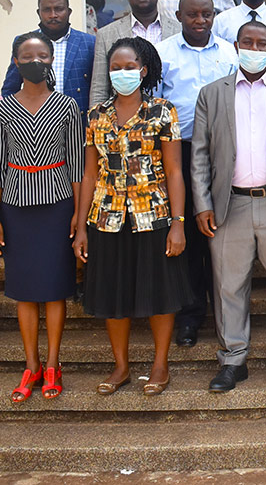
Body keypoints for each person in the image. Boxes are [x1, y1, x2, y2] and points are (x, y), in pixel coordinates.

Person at [191, 21, 266, 392]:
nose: (255, 48)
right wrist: (202, 204)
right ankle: (232, 360)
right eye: (248, 42)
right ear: (235, 44)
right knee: (229, 285)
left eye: (262, 43)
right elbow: (198, 155)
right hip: (230, 206)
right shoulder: (211, 94)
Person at [73, 37, 192, 397]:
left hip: (152, 215)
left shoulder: (162, 111)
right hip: (106, 217)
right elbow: (89, 174)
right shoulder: (96, 115)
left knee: (159, 294)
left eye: (129, 67)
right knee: (113, 295)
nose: (122, 73)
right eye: (115, 68)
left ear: (143, 70)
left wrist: (178, 223)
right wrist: (80, 228)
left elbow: (174, 172)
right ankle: (121, 366)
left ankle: (160, 364)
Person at [0, 33, 83, 402]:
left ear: (51, 61)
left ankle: (54, 364)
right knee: (25, 292)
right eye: (28, 55)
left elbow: (76, 164)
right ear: (16, 61)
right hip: (15, 207)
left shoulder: (67, 106)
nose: (35, 60)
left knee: (55, 290)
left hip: (57, 205)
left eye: (42, 55)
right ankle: (31, 365)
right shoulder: (3, 109)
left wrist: (77, 215)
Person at [155, 0, 239, 347]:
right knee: (187, 235)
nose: (200, 20)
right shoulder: (164, 53)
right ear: (179, 15)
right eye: (193, 14)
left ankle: (227, 314)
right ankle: (190, 315)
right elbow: (155, 102)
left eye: (207, 14)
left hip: (224, 152)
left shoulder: (230, 52)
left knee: (220, 231)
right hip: (180, 151)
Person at [89, 0, 178, 107]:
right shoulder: (106, 34)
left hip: (169, 119)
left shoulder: (179, 30)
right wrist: (96, 123)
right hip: (122, 122)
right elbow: (99, 88)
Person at [2, 0, 96, 115]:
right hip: (34, 124)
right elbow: (10, 89)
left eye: (59, 9)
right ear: (38, 13)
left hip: (78, 125)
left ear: (68, 12)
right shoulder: (25, 43)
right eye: (47, 10)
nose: (53, 15)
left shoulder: (89, 43)